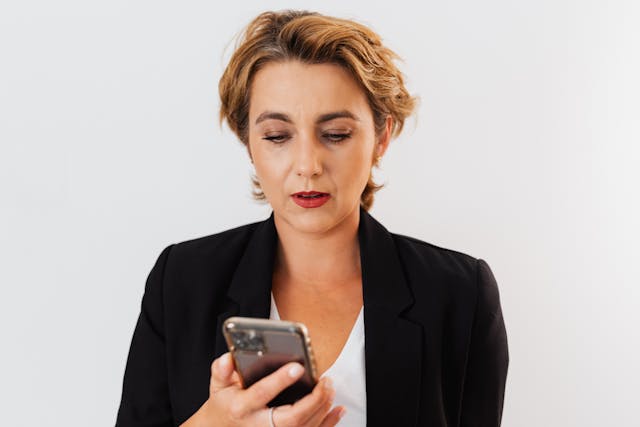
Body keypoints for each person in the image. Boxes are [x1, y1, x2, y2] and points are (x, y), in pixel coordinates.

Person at [116, 9, 508, 427]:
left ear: (382, 137)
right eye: (277, 136)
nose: (307, 165)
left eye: (336, 134)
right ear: (248, 141)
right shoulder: (181, 280)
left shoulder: (460, 293)